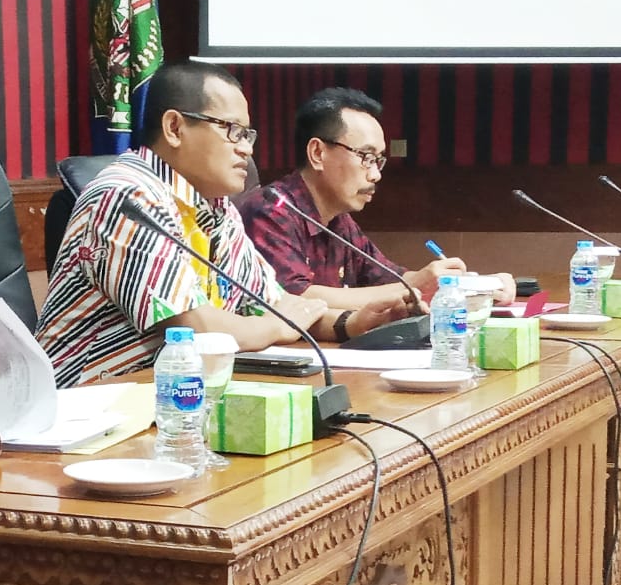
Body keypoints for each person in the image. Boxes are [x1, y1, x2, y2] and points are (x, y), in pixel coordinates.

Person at [35, 62, 403, 388]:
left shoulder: (217, 210)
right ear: (175, 127)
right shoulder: (129, 196)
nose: (247, 149)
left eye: (248, 135)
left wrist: (351, 324)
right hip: (79, 414)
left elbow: (273, 303)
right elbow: (195, 329)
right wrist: (275, 327)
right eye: (233, 131)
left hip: (171, 401)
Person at [237, 87, 516, 312]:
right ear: (318, 153)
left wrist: (477, 285)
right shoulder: (271, 210)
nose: (376, 175)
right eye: (366, 158)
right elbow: (295, 298)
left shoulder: (338, 220)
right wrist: (416, 286)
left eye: (379, 161)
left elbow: (388, 278)